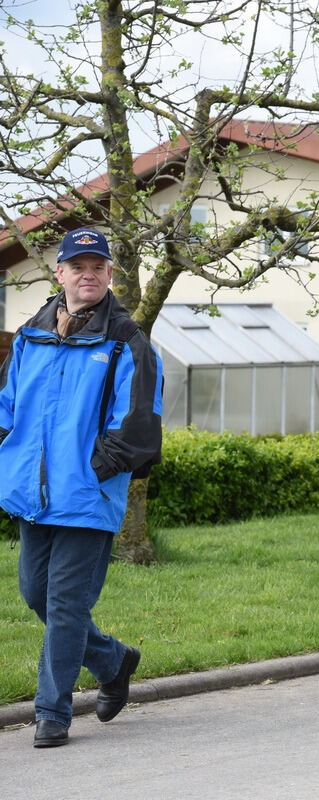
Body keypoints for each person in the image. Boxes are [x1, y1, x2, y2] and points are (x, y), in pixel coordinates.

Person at [0, 228, 163, 747]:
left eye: (98, 266)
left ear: (110, 274)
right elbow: (7, 408)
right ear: (61, 273)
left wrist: (92, 472)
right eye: (78, 266)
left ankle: (52, 712)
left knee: (66, 606)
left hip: (88, 497)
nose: (88, 274)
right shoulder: (31, 336)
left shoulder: (127, 343)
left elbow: (137, 427)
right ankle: (114, 661)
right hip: (33, 496)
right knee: (36, 595)